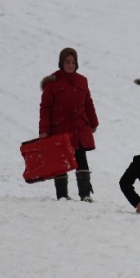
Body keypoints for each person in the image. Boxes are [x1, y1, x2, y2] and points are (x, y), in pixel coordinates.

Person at [39, 47, 99, 202]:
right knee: (61, 162)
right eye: (67, 62)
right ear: (61, 63)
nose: (70, 65)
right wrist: (44, 131)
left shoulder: (82, 80)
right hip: (60, 129)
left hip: (79, 128)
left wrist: (93, 122)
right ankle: (62, 195)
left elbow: (88, 103)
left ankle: (85, 194)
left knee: (81, 159)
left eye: (73, 62)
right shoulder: (52, 82)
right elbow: (45, 108)